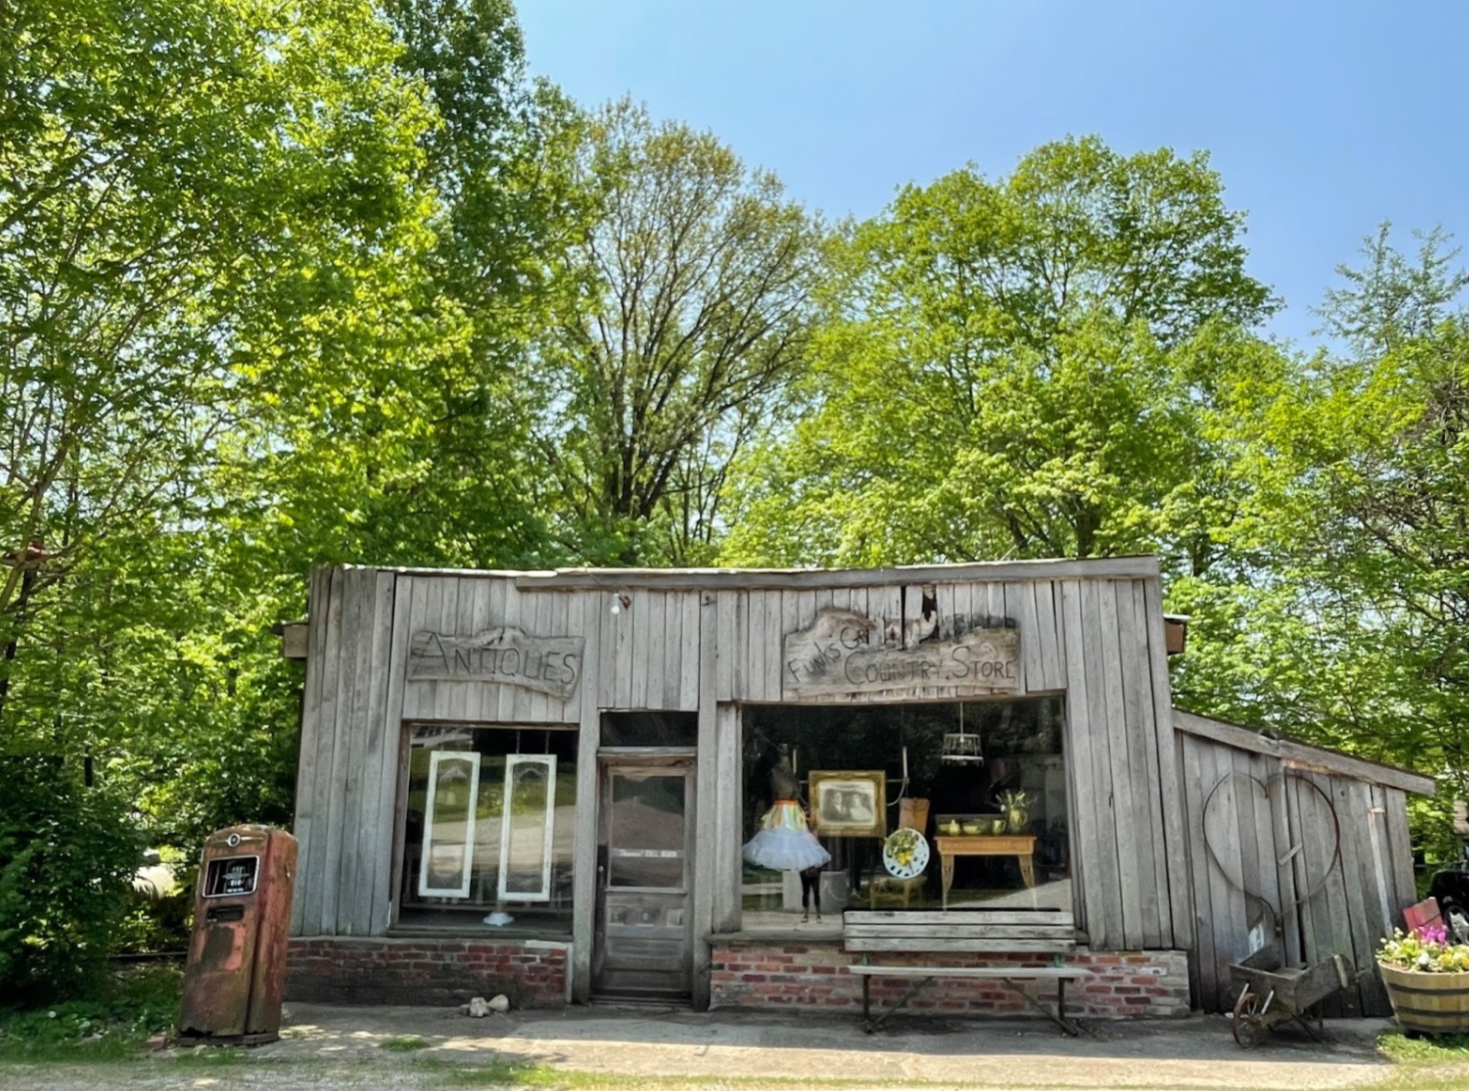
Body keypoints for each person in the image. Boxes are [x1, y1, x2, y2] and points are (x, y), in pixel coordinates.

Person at [742, 748, 831, 883]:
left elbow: (796, 793)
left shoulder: (790, 774)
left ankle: (797, 872)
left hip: (793, 810)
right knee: (782, 835)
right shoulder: (774, 772)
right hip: (782, 810)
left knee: (795, 838)